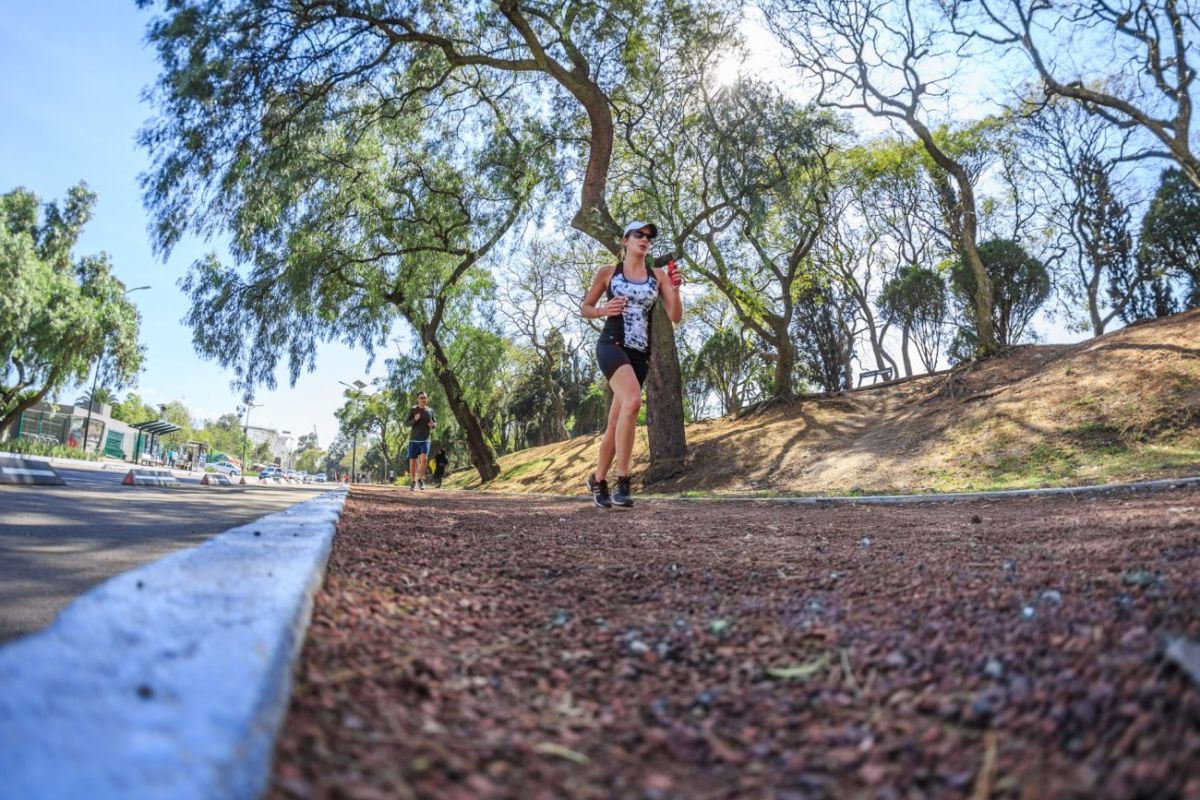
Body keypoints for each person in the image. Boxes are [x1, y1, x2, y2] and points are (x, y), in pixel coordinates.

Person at [579, 221, 683, 508]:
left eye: (649, 237)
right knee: (634, 401)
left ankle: (597, 479)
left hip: (639, 356)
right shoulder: (608, 273)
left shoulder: (658, 276)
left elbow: (675, 316)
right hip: (612, 345)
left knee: (615, 422)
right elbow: (584, 308)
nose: (645, 239)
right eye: (639, 234)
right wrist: (602, 309)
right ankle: (623, 483)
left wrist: (675, 289)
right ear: (625, 240)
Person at [406, 391, 437, 490]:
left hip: (425, 439)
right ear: (417, 399)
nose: (423, 399)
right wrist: (414, 419)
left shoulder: (430, 411)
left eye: (425, 397)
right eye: (421, 398)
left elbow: (434, 422)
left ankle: (420, 479)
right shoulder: (413, 409)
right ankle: (413, 482)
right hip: (414, 440)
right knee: (413, 461)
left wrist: (433, 425)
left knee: (424, 459)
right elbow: (406, 423)